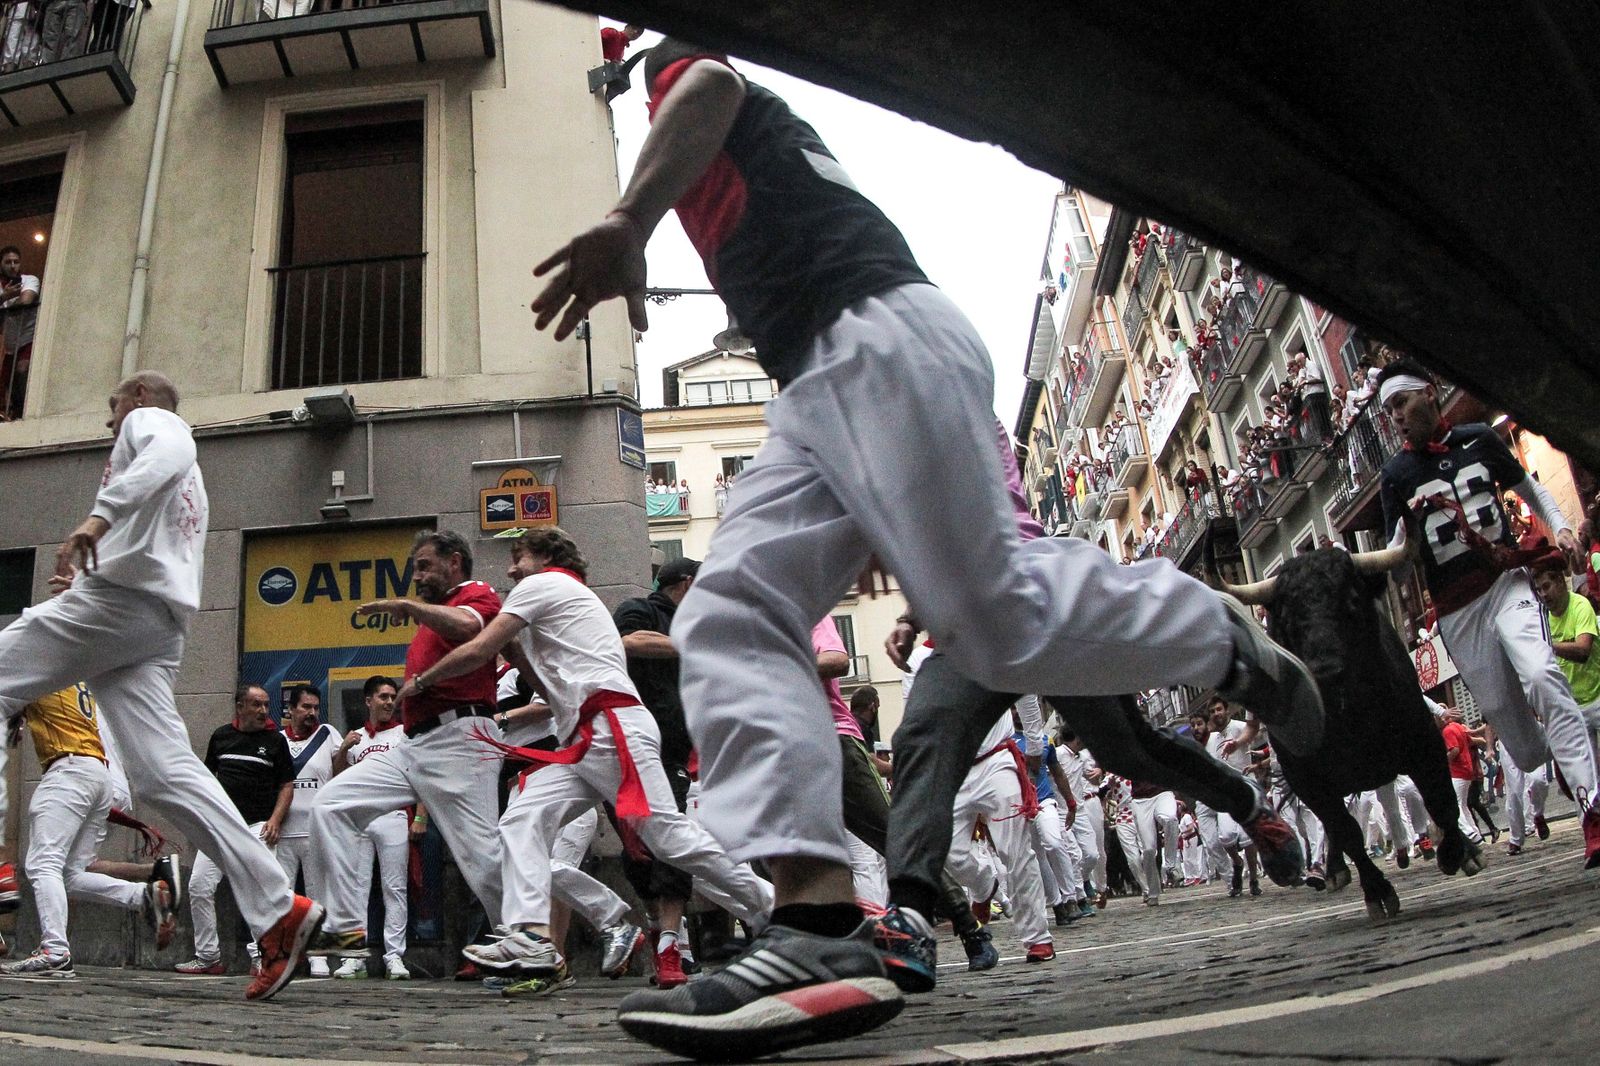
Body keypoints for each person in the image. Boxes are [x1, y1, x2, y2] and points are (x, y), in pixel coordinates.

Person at [527, 37, 1323, 1060]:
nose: (635, 86)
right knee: (729, 614)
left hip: (874, 339)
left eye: (634, 71)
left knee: (996, 627)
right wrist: (870, 506)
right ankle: (817, 927)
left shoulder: (697, 86)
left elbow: (711, 81)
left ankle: (1213, 632)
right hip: (819, 386)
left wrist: (629, 219)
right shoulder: (712, 148)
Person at [0, 371, 319, 1001]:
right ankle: (278, 907)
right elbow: (155, 530)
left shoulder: (155, 423)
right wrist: (93, 573)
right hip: (153, 623)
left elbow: (170, 448)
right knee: (162, 775)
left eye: (113, 405)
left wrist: (97, 521)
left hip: (121, 606)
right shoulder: (184, 476)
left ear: (139, 398)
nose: (109, 420)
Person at [401, 527, 772, 985]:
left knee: (669, 839)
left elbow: (480, 647)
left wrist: (420, 683)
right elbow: (528, 667)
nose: (511, 570)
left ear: (545, 558)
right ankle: (532, 935)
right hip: (585, 738)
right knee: (521, 821)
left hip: (610, 729)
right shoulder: (564, 595)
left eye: (519, 558)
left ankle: (776, 908)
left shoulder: (543, 584)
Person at [1377, 357, 1600, 866]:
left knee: (1542, 673)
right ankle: (1565, 757)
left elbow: (1529, 488)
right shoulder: (1395, 476)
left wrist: (1561, 526)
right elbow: (1398, 562)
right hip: (1458, 612)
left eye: (1401, 403)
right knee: (1524, 747)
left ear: (1429, 393)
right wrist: (1400, 546)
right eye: (1388, 409)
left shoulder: (1478, 438)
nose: (1396, 416)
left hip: (1506, 584)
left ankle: (1593, 809)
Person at [307, 530, 507, 965]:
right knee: (330, 806)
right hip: (414, 745)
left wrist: (409, 607)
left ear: (455, 562)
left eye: (424, 566)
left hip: (461, 740)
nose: (416, 577)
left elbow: (469, 628)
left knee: (486, 860)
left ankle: (544, 936)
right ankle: (346, 927)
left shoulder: (477, 593)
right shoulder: (433, 617)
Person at [0, 683, 176, 979]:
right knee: (70, 874)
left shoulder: (44, 669)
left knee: (43, 864)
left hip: (67, 769)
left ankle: (55, 951)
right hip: (98, 774)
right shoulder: (75, 677)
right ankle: (144, 896)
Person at [610, 555, 701, 988]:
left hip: (671, 756)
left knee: (671, 848)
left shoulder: (697, 624)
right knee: (637, 856)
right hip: (627, 749)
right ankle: (658, 932)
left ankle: (669, 947)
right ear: (687, 583)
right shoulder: (639, 609)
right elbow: (626, 643)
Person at [177, 685, 295, 978]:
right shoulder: (221, 737)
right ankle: (208, 957)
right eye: (256, 705)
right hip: (220, 826)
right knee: (199, 886)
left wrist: (275, 820)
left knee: (259, 890)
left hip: (258, 826)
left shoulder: (275, 741)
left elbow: (286, 785)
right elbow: (207, 780)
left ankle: (261, 957)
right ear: (240, 707)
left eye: (266, 705)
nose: (263, 711)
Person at [328, 675, 414, 980]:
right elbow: (339, 778)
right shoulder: (356, 738)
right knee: (355, 890)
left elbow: (420, 774)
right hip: (360, 820)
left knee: (395, 888)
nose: (390, 702)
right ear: (368, 701)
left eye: (392, 697)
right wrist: (343, 749)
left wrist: (421, 817)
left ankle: (395, 957)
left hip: (393, 815)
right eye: (383, 697)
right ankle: (354, 957)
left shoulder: (404, 734)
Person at [276, 684, 339, 976]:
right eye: (305, 707)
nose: (312, 712)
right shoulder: (277, 740)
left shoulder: (327, 734)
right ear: (291, 709)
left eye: (315, 707)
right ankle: (280, 955)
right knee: (282, 896)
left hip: (316, 832)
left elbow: (343, 770)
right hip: (283, 833)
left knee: (318, 897)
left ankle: (318, 956)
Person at [0, 244, 40, 421]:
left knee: (22, 370)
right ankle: (13, 414)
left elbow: (25, 301)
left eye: (16, 262)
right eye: (8, 262)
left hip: (28, 339)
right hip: (10, 347)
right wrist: (4, 297)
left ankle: (25, 414)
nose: (12, 266)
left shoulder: (29, 280)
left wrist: (4, 301)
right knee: (6, 384)